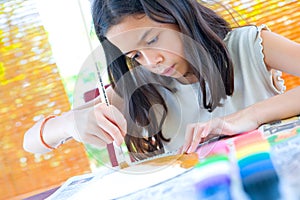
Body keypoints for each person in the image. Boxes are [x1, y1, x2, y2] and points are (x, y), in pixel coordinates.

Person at [23, 0, 300, 161]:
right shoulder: (142, 87)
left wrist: (247, 117)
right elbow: (30, 142)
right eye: (135, 55)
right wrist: (70, 124)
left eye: (153, 40)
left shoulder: (247, 46)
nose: (151, 61)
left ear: (178, 14)